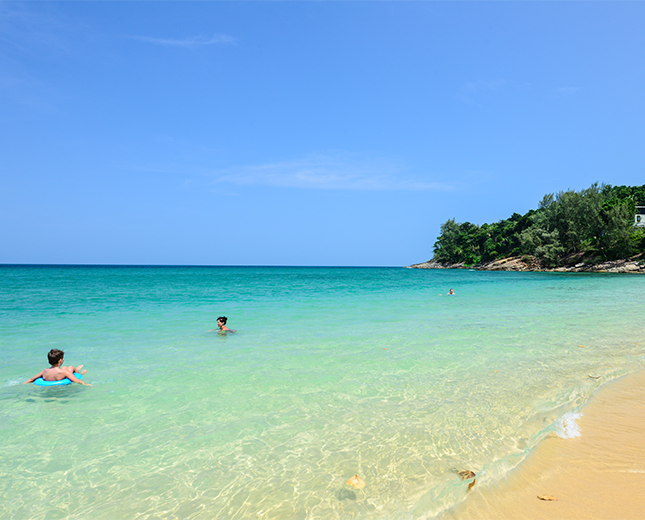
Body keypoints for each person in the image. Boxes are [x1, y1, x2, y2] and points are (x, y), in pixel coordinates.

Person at [23, 349, 91, 386]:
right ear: (60, 360)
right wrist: (87, 384)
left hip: (55, 375)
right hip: (61, 375)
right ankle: (81, 372)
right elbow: (77, 381)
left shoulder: (44, 371)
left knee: (64, 367)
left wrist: (23, 384)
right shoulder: (64, 372)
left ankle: (77, 369)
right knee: (70, 367)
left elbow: (32, 379)